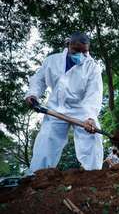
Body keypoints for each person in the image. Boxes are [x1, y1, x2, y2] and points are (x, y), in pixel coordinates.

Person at [25, 32, 104, 173]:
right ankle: (37, 176)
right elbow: (39, 80)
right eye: (76, 51)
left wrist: (90, 117)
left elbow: (94, 94)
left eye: (84, 51)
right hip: (55, 108)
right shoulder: (52, 61)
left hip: (82, 110)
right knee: (46, 139)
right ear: (68, 45)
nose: (81, 55)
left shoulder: (93, 68)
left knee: (93, 137)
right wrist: (33, 94)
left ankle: (93, 175)